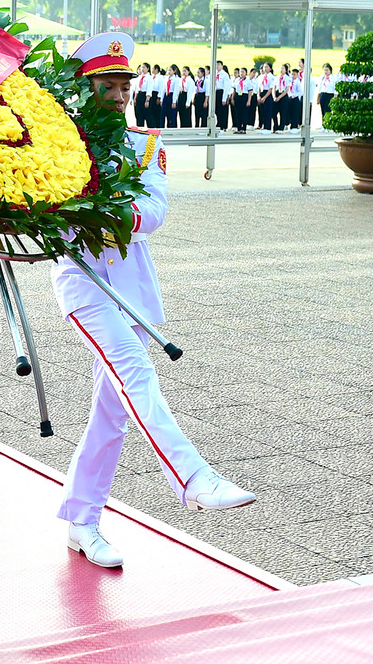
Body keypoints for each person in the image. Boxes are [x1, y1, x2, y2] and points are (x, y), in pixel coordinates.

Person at [57, 32, 256, 569]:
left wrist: (103, 212)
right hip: (85, 283)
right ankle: (193, 476)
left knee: (112, 415)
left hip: (136, 290)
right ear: (84, 87)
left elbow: (155, 210)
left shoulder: (145, 144)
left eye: (124, 85)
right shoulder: (58, 146)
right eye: (107, 84)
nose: (120, 95)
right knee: (136, 374)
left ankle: (82, 519)